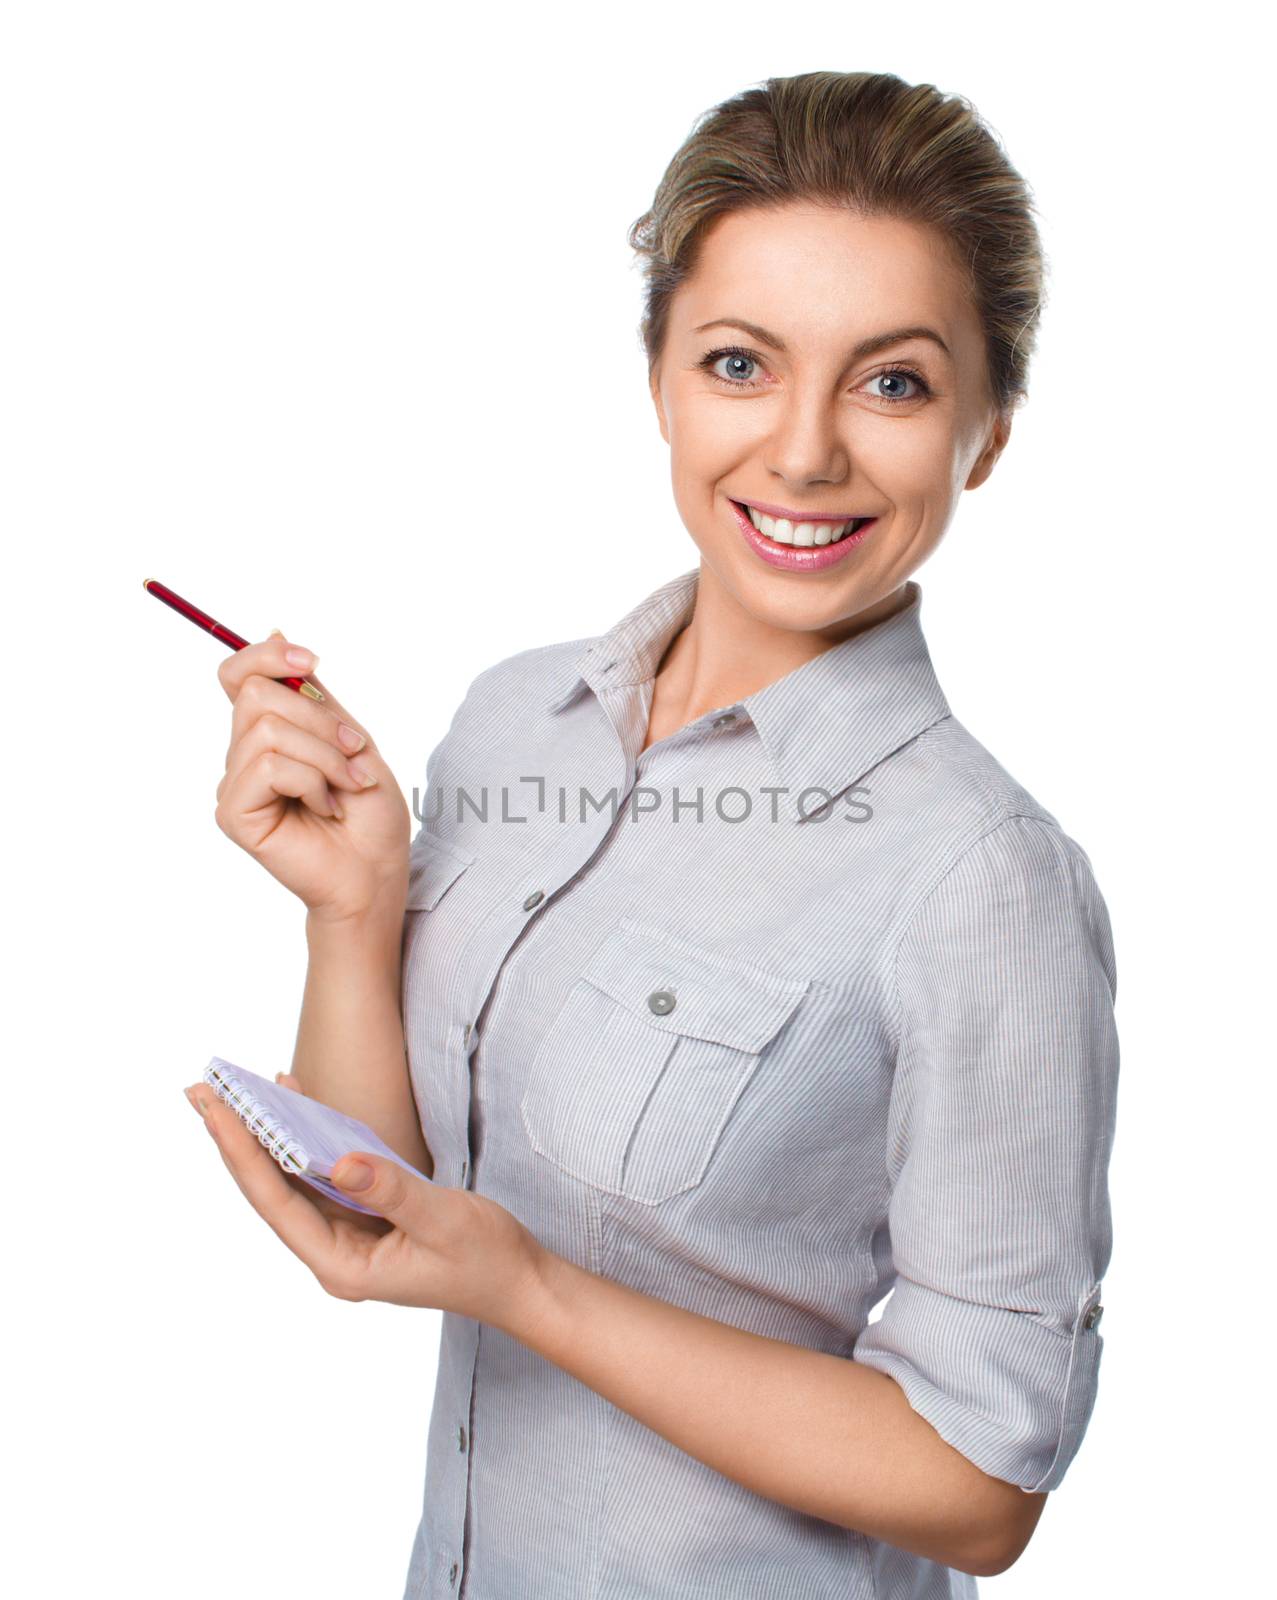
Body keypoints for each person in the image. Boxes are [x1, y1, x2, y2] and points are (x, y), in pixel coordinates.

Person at [186, 69, 1120, 1600]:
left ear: (988, 429)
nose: (805, 453)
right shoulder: (510, 722)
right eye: (741, 363)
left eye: (891, 383)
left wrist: (532, 1292)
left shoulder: (982, 880)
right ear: (659, 378)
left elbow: (977, 1481)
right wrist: (351, 914)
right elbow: (407, 1194)